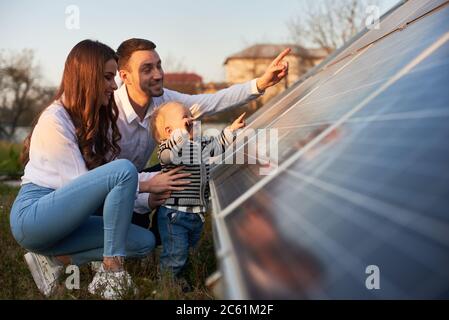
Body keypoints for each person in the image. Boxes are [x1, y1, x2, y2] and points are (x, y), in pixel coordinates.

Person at [9, 39, 156, 300]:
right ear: (87, 77)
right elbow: (88, 186)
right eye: (108, 77)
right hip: (35, 217)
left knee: (143, 242)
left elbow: (103, 188)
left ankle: (54, 261)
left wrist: (148, 196)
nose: (114, 86)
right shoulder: (54, 119)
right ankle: (112, 273)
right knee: (123, 169)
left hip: (68, 220)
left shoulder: (91, 120)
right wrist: (145, 186)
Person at [113, 38, 291, 240]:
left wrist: (260, 83)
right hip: (107, 191)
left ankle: (167, 233)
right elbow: (99, 177)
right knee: (127, 232)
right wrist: (148, 185)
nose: (158, 74)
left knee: (186, 168)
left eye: (159, 65)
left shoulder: (165, 101)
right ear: (125, 77)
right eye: (147, 69)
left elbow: (213, 101)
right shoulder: (109, 110)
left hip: (140, 184)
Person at [150, 101, 246, 277]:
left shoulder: (199, 144)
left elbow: (217, 146)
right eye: (184, 117)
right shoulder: (167, 149)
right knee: (176, 255)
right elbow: (173, 155)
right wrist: (182, 136)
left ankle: (182, 281)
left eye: (190, 115)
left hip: (197, 213)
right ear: (169, 131)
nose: (190, 119)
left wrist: (231, 130)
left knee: (188, 253)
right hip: (175, 214)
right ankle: (167, 285)